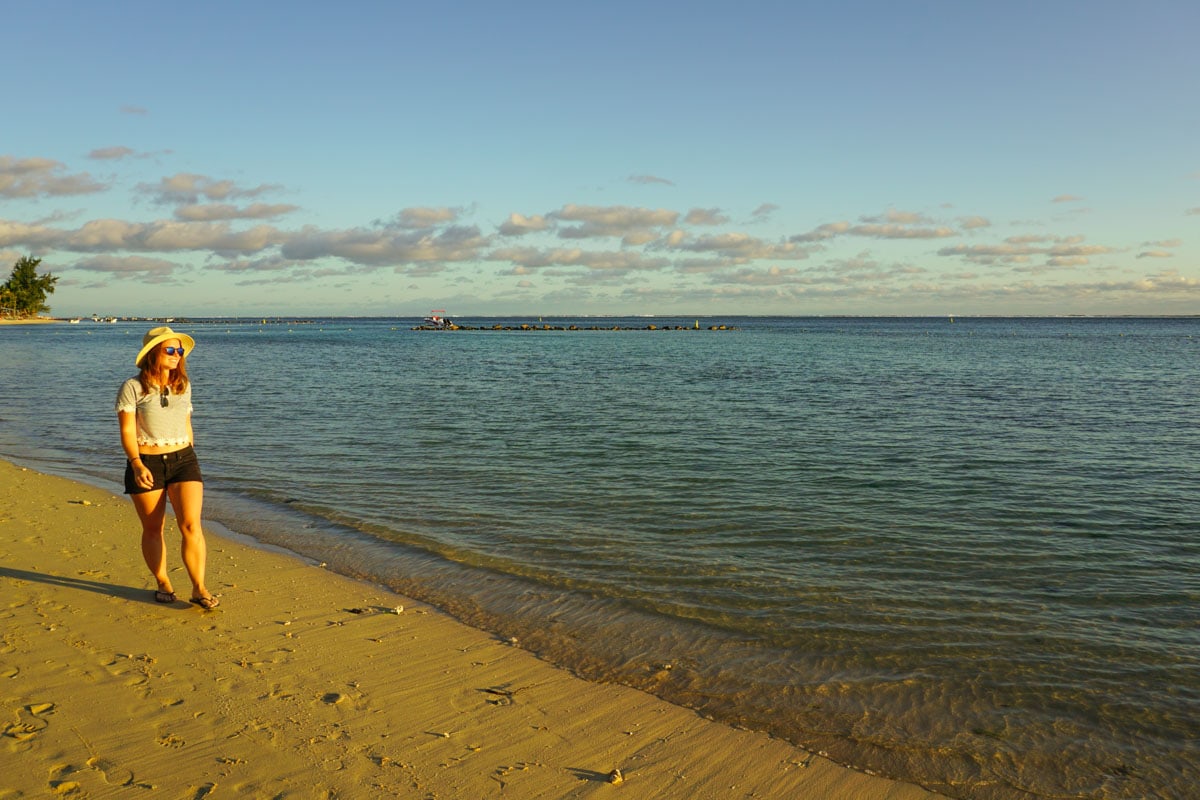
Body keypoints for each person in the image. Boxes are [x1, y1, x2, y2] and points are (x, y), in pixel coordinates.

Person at [116, 326, 219, 609]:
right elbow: (127, 432)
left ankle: (199, 588)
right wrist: (136, 464)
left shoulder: (183, 385)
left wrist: (190, 452)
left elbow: (186, 423)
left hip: (183, 460)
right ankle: (163, 582)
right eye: (170, 350)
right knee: (153, 528)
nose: (177, 355)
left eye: (180, 351)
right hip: (146, 463)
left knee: (191, 525)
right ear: (153, 353)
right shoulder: (133, 387)